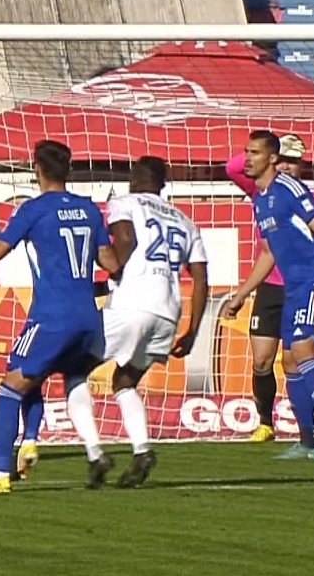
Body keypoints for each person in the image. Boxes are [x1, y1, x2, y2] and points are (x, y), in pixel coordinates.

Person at [0, 140, 121, 494]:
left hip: (52, 316)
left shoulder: (33, 210)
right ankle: (64, 447)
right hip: (88, 317)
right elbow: (109, 263)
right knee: (57, 376)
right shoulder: (89, 209)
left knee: (10, 386)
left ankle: (0, 475)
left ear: (38, 170)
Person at [68, 157, 209, 488]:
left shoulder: (124, 202)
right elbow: (201, 279)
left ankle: (95, 453)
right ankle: (142, 450)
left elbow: (126, 242)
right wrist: (192, 330)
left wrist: (110, 275)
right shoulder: (186, 222)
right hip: (167, 312)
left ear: (134, 177)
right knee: (124, 380)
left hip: (132, 304)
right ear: (163, 181)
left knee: (75, 370)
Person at [221, 130, 314, 461]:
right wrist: (242, 295)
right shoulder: (261, 200)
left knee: (304, 353)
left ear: (272, 159)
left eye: (255, 153)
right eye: (245, 152)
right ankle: (307, 440)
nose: (247, 158)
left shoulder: (289, 189)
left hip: (313, 281)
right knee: (289, 361)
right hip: (292, 286)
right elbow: (268, 254)